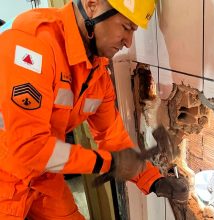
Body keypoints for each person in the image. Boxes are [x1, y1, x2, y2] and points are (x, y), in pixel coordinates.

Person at [0, 0, 188, 219]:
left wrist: (153, 180)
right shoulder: (32, 45)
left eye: (134, 31)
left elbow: (113, 138)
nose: (128, 42)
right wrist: (106, 163)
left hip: (41, 176)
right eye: (126, 27)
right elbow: (30, 148)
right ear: (92, 5)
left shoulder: (97, 74)